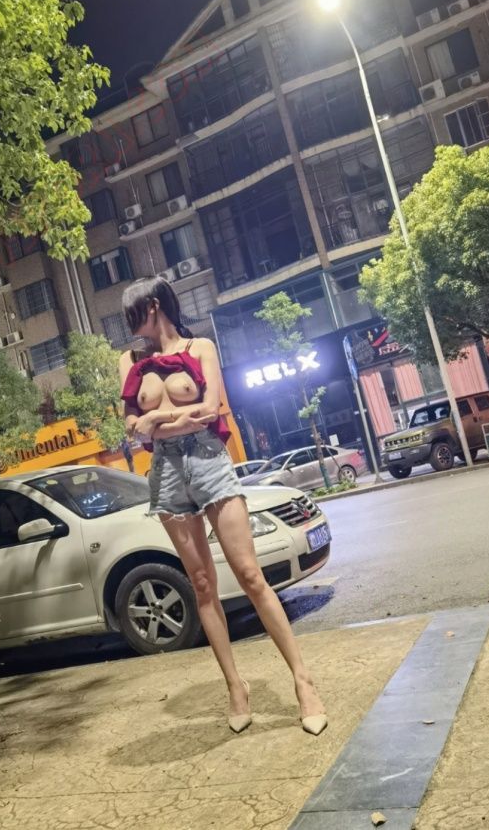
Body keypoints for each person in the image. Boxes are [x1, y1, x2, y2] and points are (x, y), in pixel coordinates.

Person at [118, 275, 327, 736]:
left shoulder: (201, 348)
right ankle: (235, 686)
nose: (129, 325)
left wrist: (157, 417)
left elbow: (211, 411)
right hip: (167, 473)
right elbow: (133, 427)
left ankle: (303, 681)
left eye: (132, 313)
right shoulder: (129, 361)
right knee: (201, 584)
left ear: (153, 307)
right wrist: (165, 420)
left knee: (250, 575)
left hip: (210, 463)